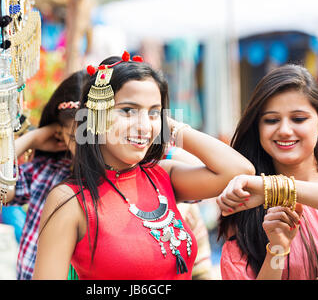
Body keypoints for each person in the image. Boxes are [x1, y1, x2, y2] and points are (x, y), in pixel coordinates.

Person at [32, 52, 255, 280]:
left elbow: (240, 171)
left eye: (154, 113)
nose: (144, 126)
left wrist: (170, 128)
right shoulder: (70, 201)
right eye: (128, 110)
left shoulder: (162, 175)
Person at [216, 64, 318, 280]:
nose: (284, 130)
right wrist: (278, 249)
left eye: (298, 119)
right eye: (271, 120)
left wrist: (273, 188)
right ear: (258, 128)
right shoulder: (250, 206)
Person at [0, 70, 87, 280]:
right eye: (74, 136)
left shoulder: (121, 183)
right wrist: (32, 139)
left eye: (91, 136)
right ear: (60, 133)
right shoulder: (47, 173)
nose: (84, 148)